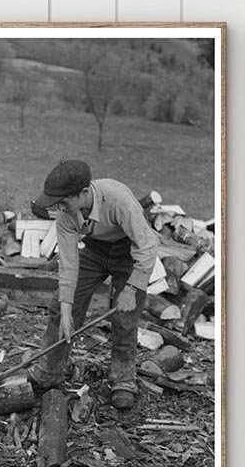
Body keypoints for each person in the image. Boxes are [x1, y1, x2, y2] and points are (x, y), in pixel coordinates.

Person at [28, 159, 158, 409]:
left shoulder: (118, 200)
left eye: (65, 201)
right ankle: (50, 372)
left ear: (84, 193)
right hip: (96, 250)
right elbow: (68, 263)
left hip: (128, 249)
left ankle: (123, 380)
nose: (61, 207)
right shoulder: (66, 213)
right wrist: (67, 309)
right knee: (60, 307)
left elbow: (147, 246)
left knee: (125, 316)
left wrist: (132, 288)